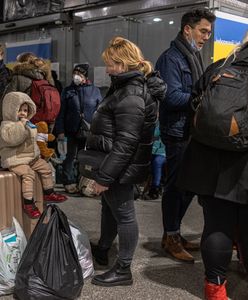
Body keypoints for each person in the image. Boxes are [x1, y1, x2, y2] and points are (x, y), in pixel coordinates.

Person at [88, 36, 166, 287]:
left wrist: (104, 177)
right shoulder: (124, 87)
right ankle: (102, 249)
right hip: (117, 164)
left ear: (123, 63)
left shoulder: (131, 93)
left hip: (120, 166)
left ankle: (123, 270)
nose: (107, 68)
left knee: (124, 215)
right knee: (109, 209)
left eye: (110, 63)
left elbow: (126, 143)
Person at [177, 34, 248, 300]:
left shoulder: (219, 66)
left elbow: (195, 106)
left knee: (216, 226)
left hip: (209, 164)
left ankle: (215, 289)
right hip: (245, 167)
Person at [155, 9, 216, 263]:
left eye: (209, 33)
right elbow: (170, 97)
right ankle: (171, 236)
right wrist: (203, 98)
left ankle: (174, 233)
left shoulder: (193, 56)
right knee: (176, 187)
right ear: (187, 29)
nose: (206, 37)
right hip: (177, 130)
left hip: (190, 129)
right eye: (203, 31)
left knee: (189, 185)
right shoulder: (171, 58)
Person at [0, 92, 67, 219]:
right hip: (15, 159)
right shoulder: (6, 126)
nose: (23, 113)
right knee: (28, 174)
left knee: (45, 167)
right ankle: (28, 203)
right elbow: (13, 139)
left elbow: (34, 141)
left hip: (30, 158)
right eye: (19, 110)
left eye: (25, 110)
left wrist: (39, 151)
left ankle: (49, 192)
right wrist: (22, 125)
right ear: (11, 110)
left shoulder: (28, 124)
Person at [55, 64, 102, 194]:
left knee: (85, 158)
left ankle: (83, 182)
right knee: (69, 157)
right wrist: (60, 131)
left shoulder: (95, 91)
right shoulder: (68, 90)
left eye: (79, 74)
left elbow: (100, 111)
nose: (76, 76)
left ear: (85, 76)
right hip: (71, 129)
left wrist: (98, 130)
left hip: (88, 131)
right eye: (74, 73)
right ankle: (69, 182)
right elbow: (61, 112)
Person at [0, 55, 54, 122]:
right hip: (44, 123)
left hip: (21, 123)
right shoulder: (48, 80)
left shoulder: (17, 78)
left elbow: (6, 101)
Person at [144, 121, 166, 200]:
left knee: (157, 162)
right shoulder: (153, 122)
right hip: (150, 151)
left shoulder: (163, 123)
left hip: (162, 152)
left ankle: (155, 189)